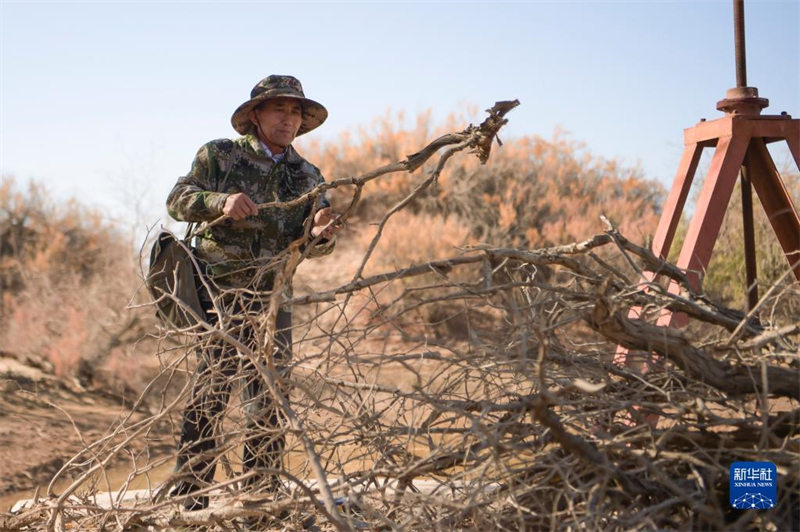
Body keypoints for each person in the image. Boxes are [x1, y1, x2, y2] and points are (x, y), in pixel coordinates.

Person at [165, 74, 340, 511]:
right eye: (280, 108)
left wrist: (322, 233)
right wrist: (218, 202)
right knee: (212, 391)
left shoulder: (309, 175)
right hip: (218, 295)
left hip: (273, 301)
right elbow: (177, 199)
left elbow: (316, 246)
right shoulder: (219, 156)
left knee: (269, 400)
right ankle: (191, 500)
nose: (289, 118)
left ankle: (259, 501)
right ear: (256, 115)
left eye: (296, 111)